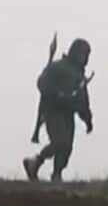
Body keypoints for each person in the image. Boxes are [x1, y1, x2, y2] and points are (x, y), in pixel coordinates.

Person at [24, 38, 93, 183]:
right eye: (83, 54)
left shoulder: (79, 75)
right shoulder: (57, 67)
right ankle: (36, 161)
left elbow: (82, 100)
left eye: (87, 55)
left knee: (66, 148)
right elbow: (42, 83)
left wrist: (87, 119)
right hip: (53, 111)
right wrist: (57, 93)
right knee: (60, 142)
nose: (85, 58)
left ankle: (56, 174)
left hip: (69, 114)